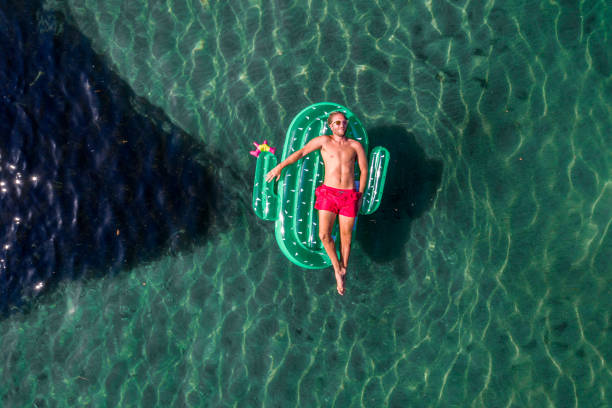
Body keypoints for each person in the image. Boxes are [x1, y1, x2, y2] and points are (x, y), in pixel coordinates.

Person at [265, 111, 368, 295]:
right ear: (330, 126)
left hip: (349, 195)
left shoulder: (355, 145)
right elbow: (301, 152)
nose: (341, 126)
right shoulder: (323, 141)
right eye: (337, 123)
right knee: (323, 235)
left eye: (344, 123)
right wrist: (280, 166)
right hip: (328, 193)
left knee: (346, 238)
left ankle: (344, 269)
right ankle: (337, 268)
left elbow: (364, 170)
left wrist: (360, 196)